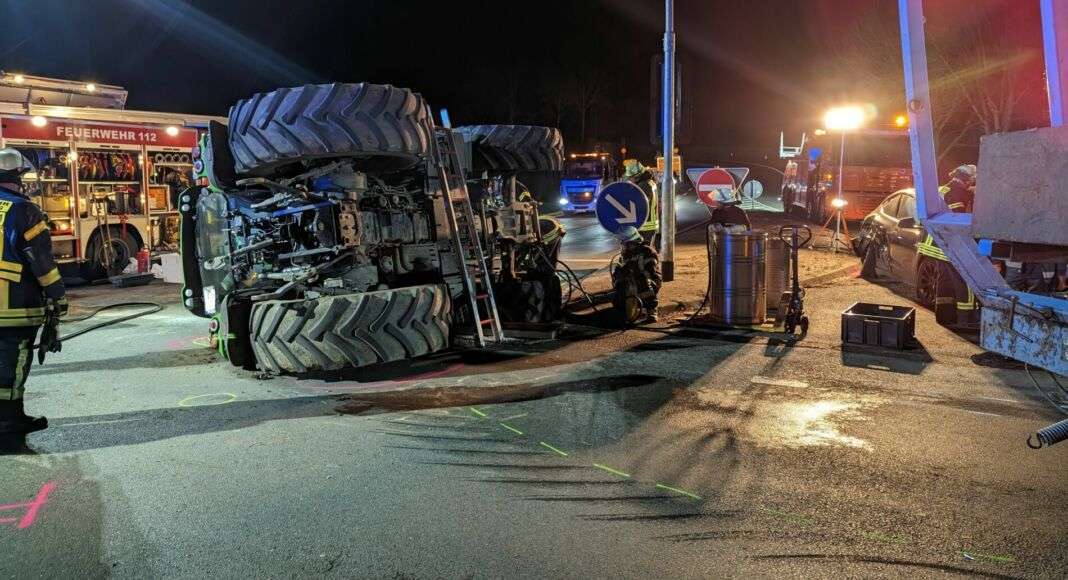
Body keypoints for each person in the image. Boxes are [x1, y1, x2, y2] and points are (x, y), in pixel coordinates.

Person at [0, 148, 66, 442]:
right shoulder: (24, 210)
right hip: (15, 307)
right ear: (17, 178)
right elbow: (42, 263)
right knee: (13, 364)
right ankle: (10, 420)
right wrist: (58, 297)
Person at [614, 225, 662, 323]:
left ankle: (652, 311)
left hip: (650, 280)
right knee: (620, 285)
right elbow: (619, 269)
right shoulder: (626, 254)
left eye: (624, 243)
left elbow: (650, 272)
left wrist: (632, 271)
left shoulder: (647, 251)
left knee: (642, 282)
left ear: (632, 241)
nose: (623, 245)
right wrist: (618, 276)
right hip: (633, 279)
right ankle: (629, 311)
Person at [622, 159, 659, 244]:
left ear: (637, 176)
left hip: (645, 226)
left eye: (631, 177)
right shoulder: (649, 182)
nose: (630, 180)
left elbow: (639, 205)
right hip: (649, 225)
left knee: (642, 252)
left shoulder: (643, 186)